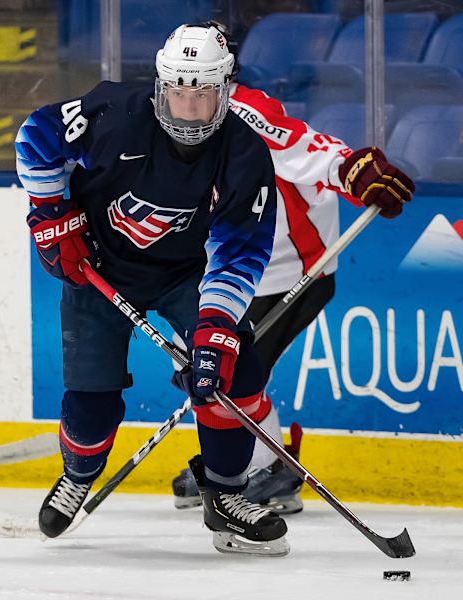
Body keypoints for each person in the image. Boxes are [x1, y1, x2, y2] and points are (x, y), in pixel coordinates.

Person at [17, 23, 291, 557]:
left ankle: (227, 495)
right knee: (90, 404)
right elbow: (36, 135)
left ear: (225, 90)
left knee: (237, 368)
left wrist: (214, 332)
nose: (189, 106)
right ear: (161, 84)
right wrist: (50, 213)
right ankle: (78, 474)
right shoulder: (115, 114)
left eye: (203, 92)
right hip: (96, 268)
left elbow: (238, 254)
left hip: (184, 274)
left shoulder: (244, 154)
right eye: (179, 91)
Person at [170, 21, 416, 514]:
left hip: (292, 269)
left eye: (202, 75)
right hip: (228, 273)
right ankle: (242, 461)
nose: (191, 86)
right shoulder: (171, 114)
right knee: (197, 364)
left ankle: (270, 470)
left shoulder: (248, 113)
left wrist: (354, 170)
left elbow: (312, 150)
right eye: (182, 76)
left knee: (235, 367)